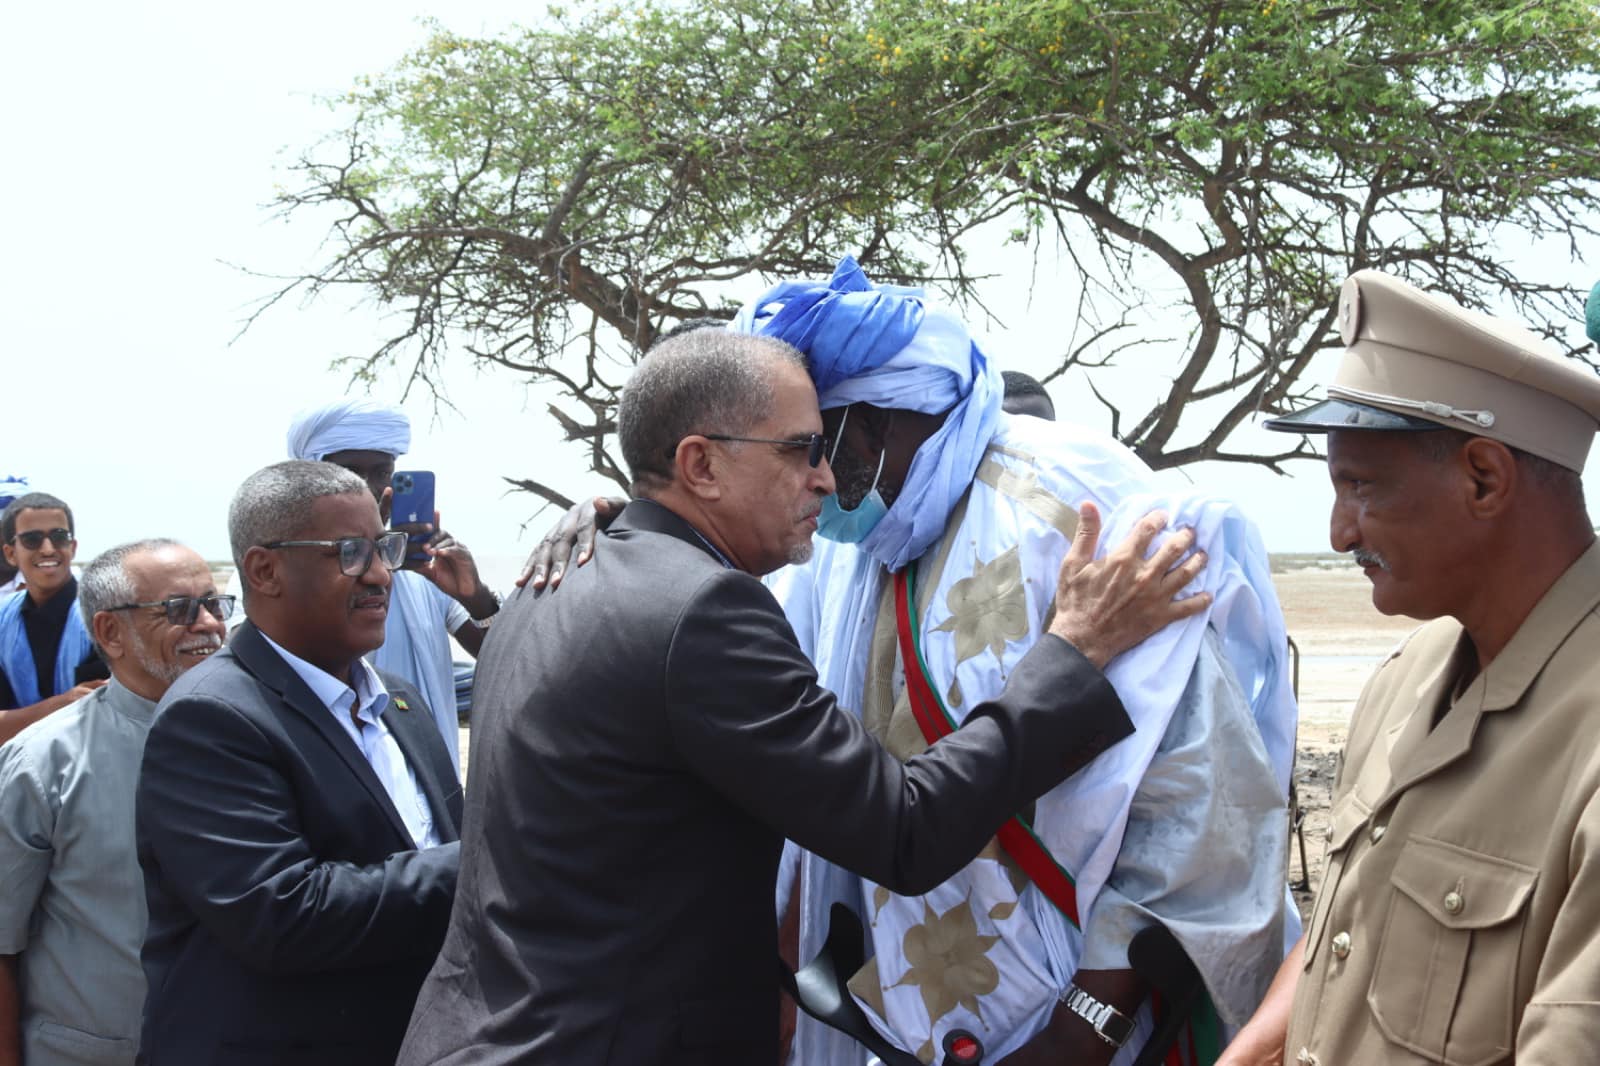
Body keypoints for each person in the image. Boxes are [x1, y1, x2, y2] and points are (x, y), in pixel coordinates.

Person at [527, 262, 1298, 1064]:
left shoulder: (1071, 510)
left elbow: (1195, 801)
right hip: (899, 1022)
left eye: (821, 445)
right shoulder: (843, 543)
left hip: (1087, 1027)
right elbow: (825, 809)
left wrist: (1082, 1033)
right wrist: (621, 518)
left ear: (881, 419)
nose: (816, 477)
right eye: (801, 452)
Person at [1217, 269, 1600, 1066]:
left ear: (1484, 478)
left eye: (1360, 486)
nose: (1338, 534)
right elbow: (1346, 941)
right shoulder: (1411, 674)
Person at [136, 461, 462, 1066]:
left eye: (383, 548)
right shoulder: (212, 717)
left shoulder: (400, 701)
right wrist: (484, 861)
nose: (380, 574)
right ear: (264, 570)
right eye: (349, 552)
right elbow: (282, 915)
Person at [0, 538, 228, 1066]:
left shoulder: (265, 737)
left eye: (214, 604)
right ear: (109, 632)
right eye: (178, 610)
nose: (209, 625)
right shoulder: (44, 764)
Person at [265, 398, 500, 767]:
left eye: (383, 473)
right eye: (351, 473)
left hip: (433, 789)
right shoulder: (279, 570)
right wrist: (371, 555)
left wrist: (476, 597)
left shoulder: (425, 571)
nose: (371, 488)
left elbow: (500, 656)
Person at [0, 493, 108, 738]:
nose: (47, 549)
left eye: (59, 537)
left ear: (73, 546)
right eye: (32, 539)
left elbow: (107, 716)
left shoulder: (107, 615)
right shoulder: (4, 620)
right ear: (10, 553)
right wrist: (58, 706)